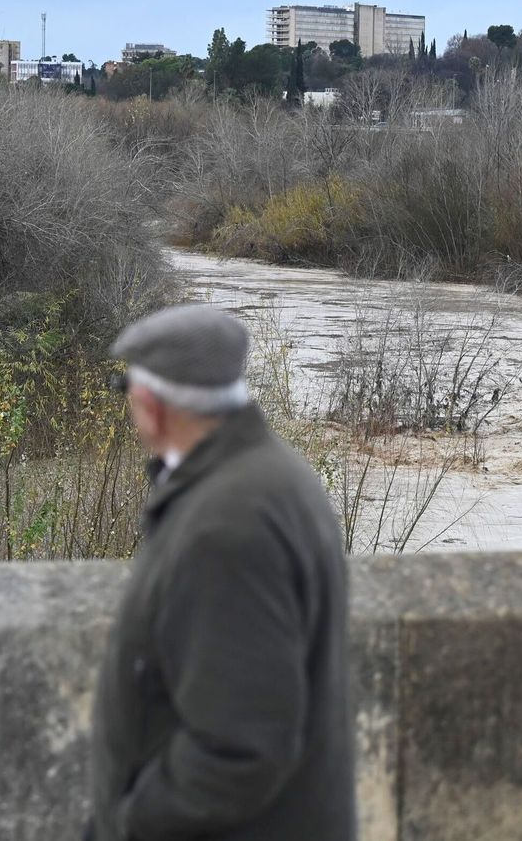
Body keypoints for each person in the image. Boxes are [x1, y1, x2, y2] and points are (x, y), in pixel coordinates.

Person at [87, 304, 355, 840]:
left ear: (152, 406)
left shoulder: (226, 530)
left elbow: (243, 749)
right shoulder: (277, 475)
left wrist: (132, 818)